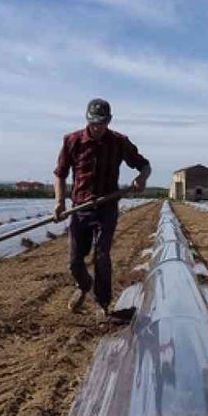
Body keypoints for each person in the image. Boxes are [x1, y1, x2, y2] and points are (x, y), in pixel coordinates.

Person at [54, 98, 151, 316]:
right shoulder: (72, 141)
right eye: (93, 122)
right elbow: (60, 174)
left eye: (102, 123)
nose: (97, 127)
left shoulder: (119, 142)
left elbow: (144, 165)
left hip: (107, 207)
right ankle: (83, 285)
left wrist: (142, 179)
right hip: (80, 209)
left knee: (102, 255)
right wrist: (60, 202)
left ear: (109, 121)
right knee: (74, 261)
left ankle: (103, 303)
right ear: (88, 120)